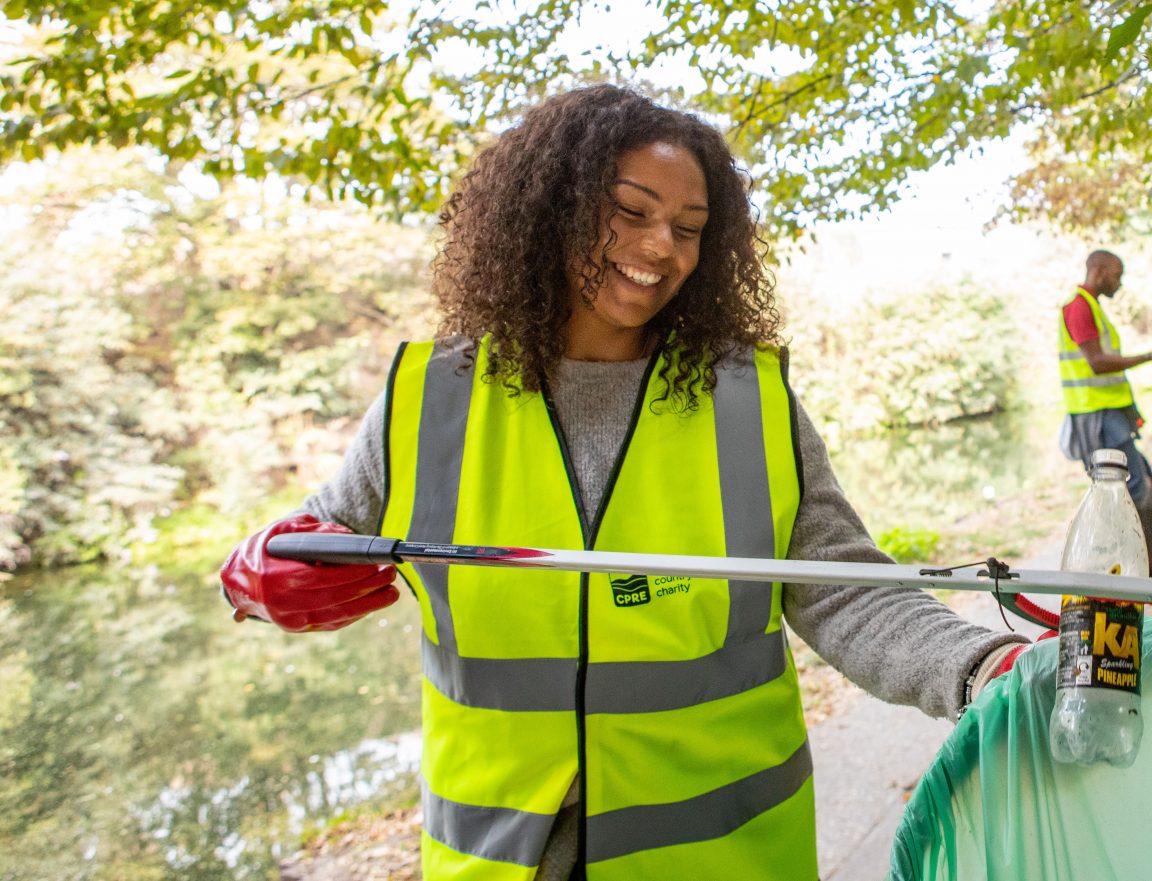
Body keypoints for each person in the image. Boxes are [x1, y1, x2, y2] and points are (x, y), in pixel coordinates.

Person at [216, 84, 1034, 881]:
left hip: (723, 857)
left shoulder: (747, 400)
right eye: (631, 211)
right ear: (551, 210)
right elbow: (313, 540)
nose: (661, 248)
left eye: (689, 227)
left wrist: (987, 669)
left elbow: (843, 588)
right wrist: (253, 575)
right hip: (495, 858)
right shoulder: (433, 397)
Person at [1057, 250, 1152, 578]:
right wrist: (1151, 356)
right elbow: (1097, 364)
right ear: (1098, 270)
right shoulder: (1079, 308)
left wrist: (1130, 412)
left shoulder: (1092, 308)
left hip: (1110, 416)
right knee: (1132, 492)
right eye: (1116, 274)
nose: (1119, 282)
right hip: (1096, 419)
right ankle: (1142, 578)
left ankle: (1151, 575)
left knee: (1142, 488)